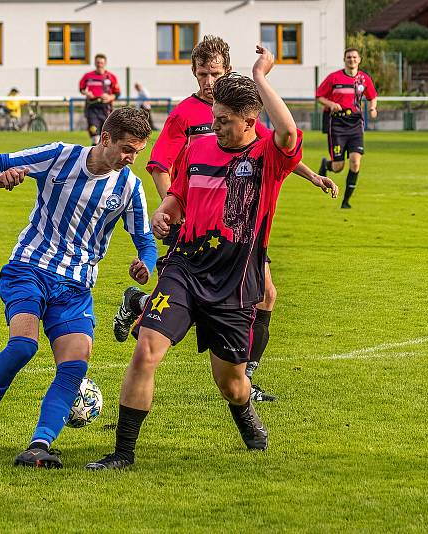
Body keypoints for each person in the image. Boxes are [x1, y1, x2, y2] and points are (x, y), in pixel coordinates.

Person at [86, 46, 303, 471]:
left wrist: (261, 76)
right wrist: (163, 215)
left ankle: (245, 414)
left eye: (224, 120)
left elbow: (290, 133)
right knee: (147, 348)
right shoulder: (199, 149)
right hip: (185, 266)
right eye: (215, 117)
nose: (215, 126)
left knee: (232, 384)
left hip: (235, 281)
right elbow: (176, 198)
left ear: (249, 120)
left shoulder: (267, 156)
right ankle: (122, 454)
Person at [111, 36, 337, 403]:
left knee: (264, 294)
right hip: (193, 225)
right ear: (193, 72)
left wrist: (312, 176)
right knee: (198, 295)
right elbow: (158, 166)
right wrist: (173, 209)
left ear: (226, 72)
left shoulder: (238, 109)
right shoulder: (184, 114)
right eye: (202, 74)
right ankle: (238, 377)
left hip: (238, 229)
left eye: (215, 74)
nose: (208, 82)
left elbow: (276, 146)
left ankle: (242, 375)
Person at [0, 107, 157, 469]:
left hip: (76, 287)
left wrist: (146, 262)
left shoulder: (129, 187)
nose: (130, 159)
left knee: (75, 364)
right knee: (22, 346)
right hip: (29, 268)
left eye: (137, 152)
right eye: (126, 148)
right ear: (105, 138)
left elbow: (145, 240)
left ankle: (39, 445)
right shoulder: (60, 156)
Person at [316, 47, 378, 209]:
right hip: (337, 124)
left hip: (355, 124)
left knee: (355, 163)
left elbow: (373, 97)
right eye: (349, 57)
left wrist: (372, 108)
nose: (352, 60)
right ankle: (326, 164)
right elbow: (319, 96)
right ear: (344, 60)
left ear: (359, 60)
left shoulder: (364, 79)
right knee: (338, 167)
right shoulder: (334, 78)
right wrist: (331, 104)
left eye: (354, 57)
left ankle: (346, 201)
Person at [80, 54, 121, 145]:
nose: (99, 65)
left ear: (105, 63)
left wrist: (110, 97)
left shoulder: (111, 77)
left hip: (106, 109)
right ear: (95, 63)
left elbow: (117, 93)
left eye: (101, 63)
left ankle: (105, 157)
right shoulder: (88, 76)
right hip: (92, 107)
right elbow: (82, 89)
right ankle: (93, 158)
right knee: (95, 136)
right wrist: (86, 93)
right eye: (98, 62)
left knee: (106, 135)